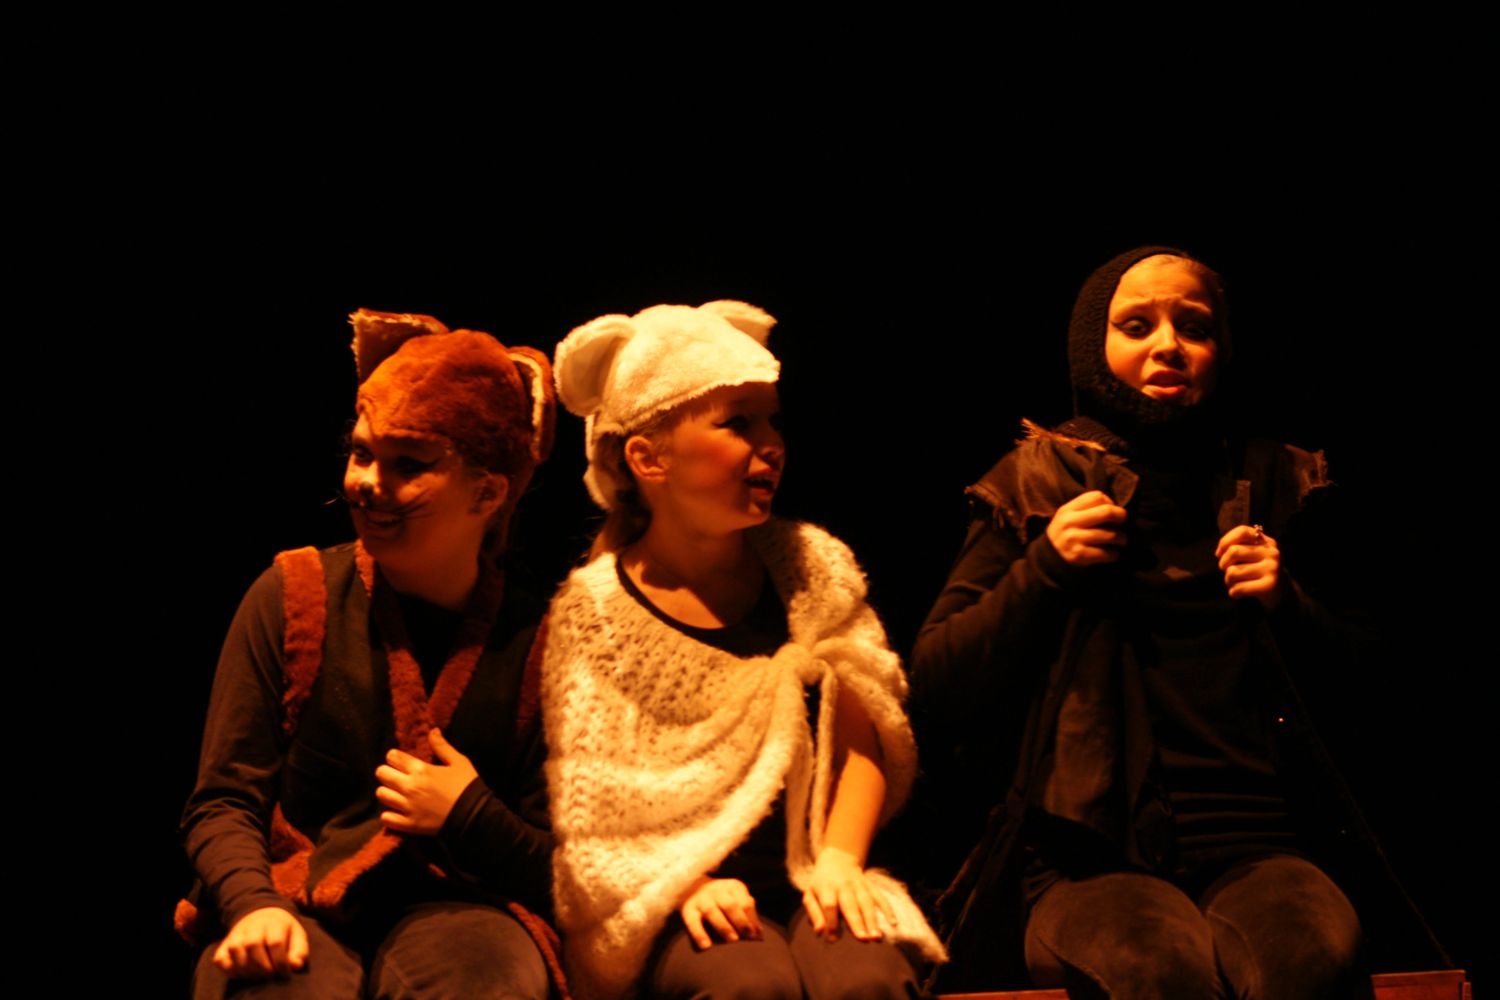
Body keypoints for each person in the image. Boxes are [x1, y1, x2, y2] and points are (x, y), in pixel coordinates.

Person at [910, 247, 1442, 998]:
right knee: (1158, 968)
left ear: (1222, 348)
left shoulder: (1278, 482)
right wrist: (1045, 568)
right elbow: (932, 682)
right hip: (1089, 861)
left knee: (1310, 957)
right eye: (1137, 325)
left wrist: (1289, 604)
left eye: (1193, 326)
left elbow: (1386, 686)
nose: (1168, 345)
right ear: (1093, 346)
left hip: (1258, 847)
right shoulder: (1036, 481)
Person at [540, 300, 946, 1000]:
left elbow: (867, 731)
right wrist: (687, 883)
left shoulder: (812, 567)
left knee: (867, 977)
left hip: (814, 875)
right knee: (747, 984)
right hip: (674, 893)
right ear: (649, 458)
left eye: (772, 421)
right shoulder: (595, 611)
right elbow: (596, 804)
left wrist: (841, 861)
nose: (771, 443)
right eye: (738, 423)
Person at [178, 309, 565, 999]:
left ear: (487, 491)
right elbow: (224, 800)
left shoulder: (538, 640)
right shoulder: (293, 594)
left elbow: (567, 866)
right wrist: (251, 903)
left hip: (459, 904)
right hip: (293, 892)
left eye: (408, 465)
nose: (366, 482)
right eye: (362, 454)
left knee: (486, 980)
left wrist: (469, 815)